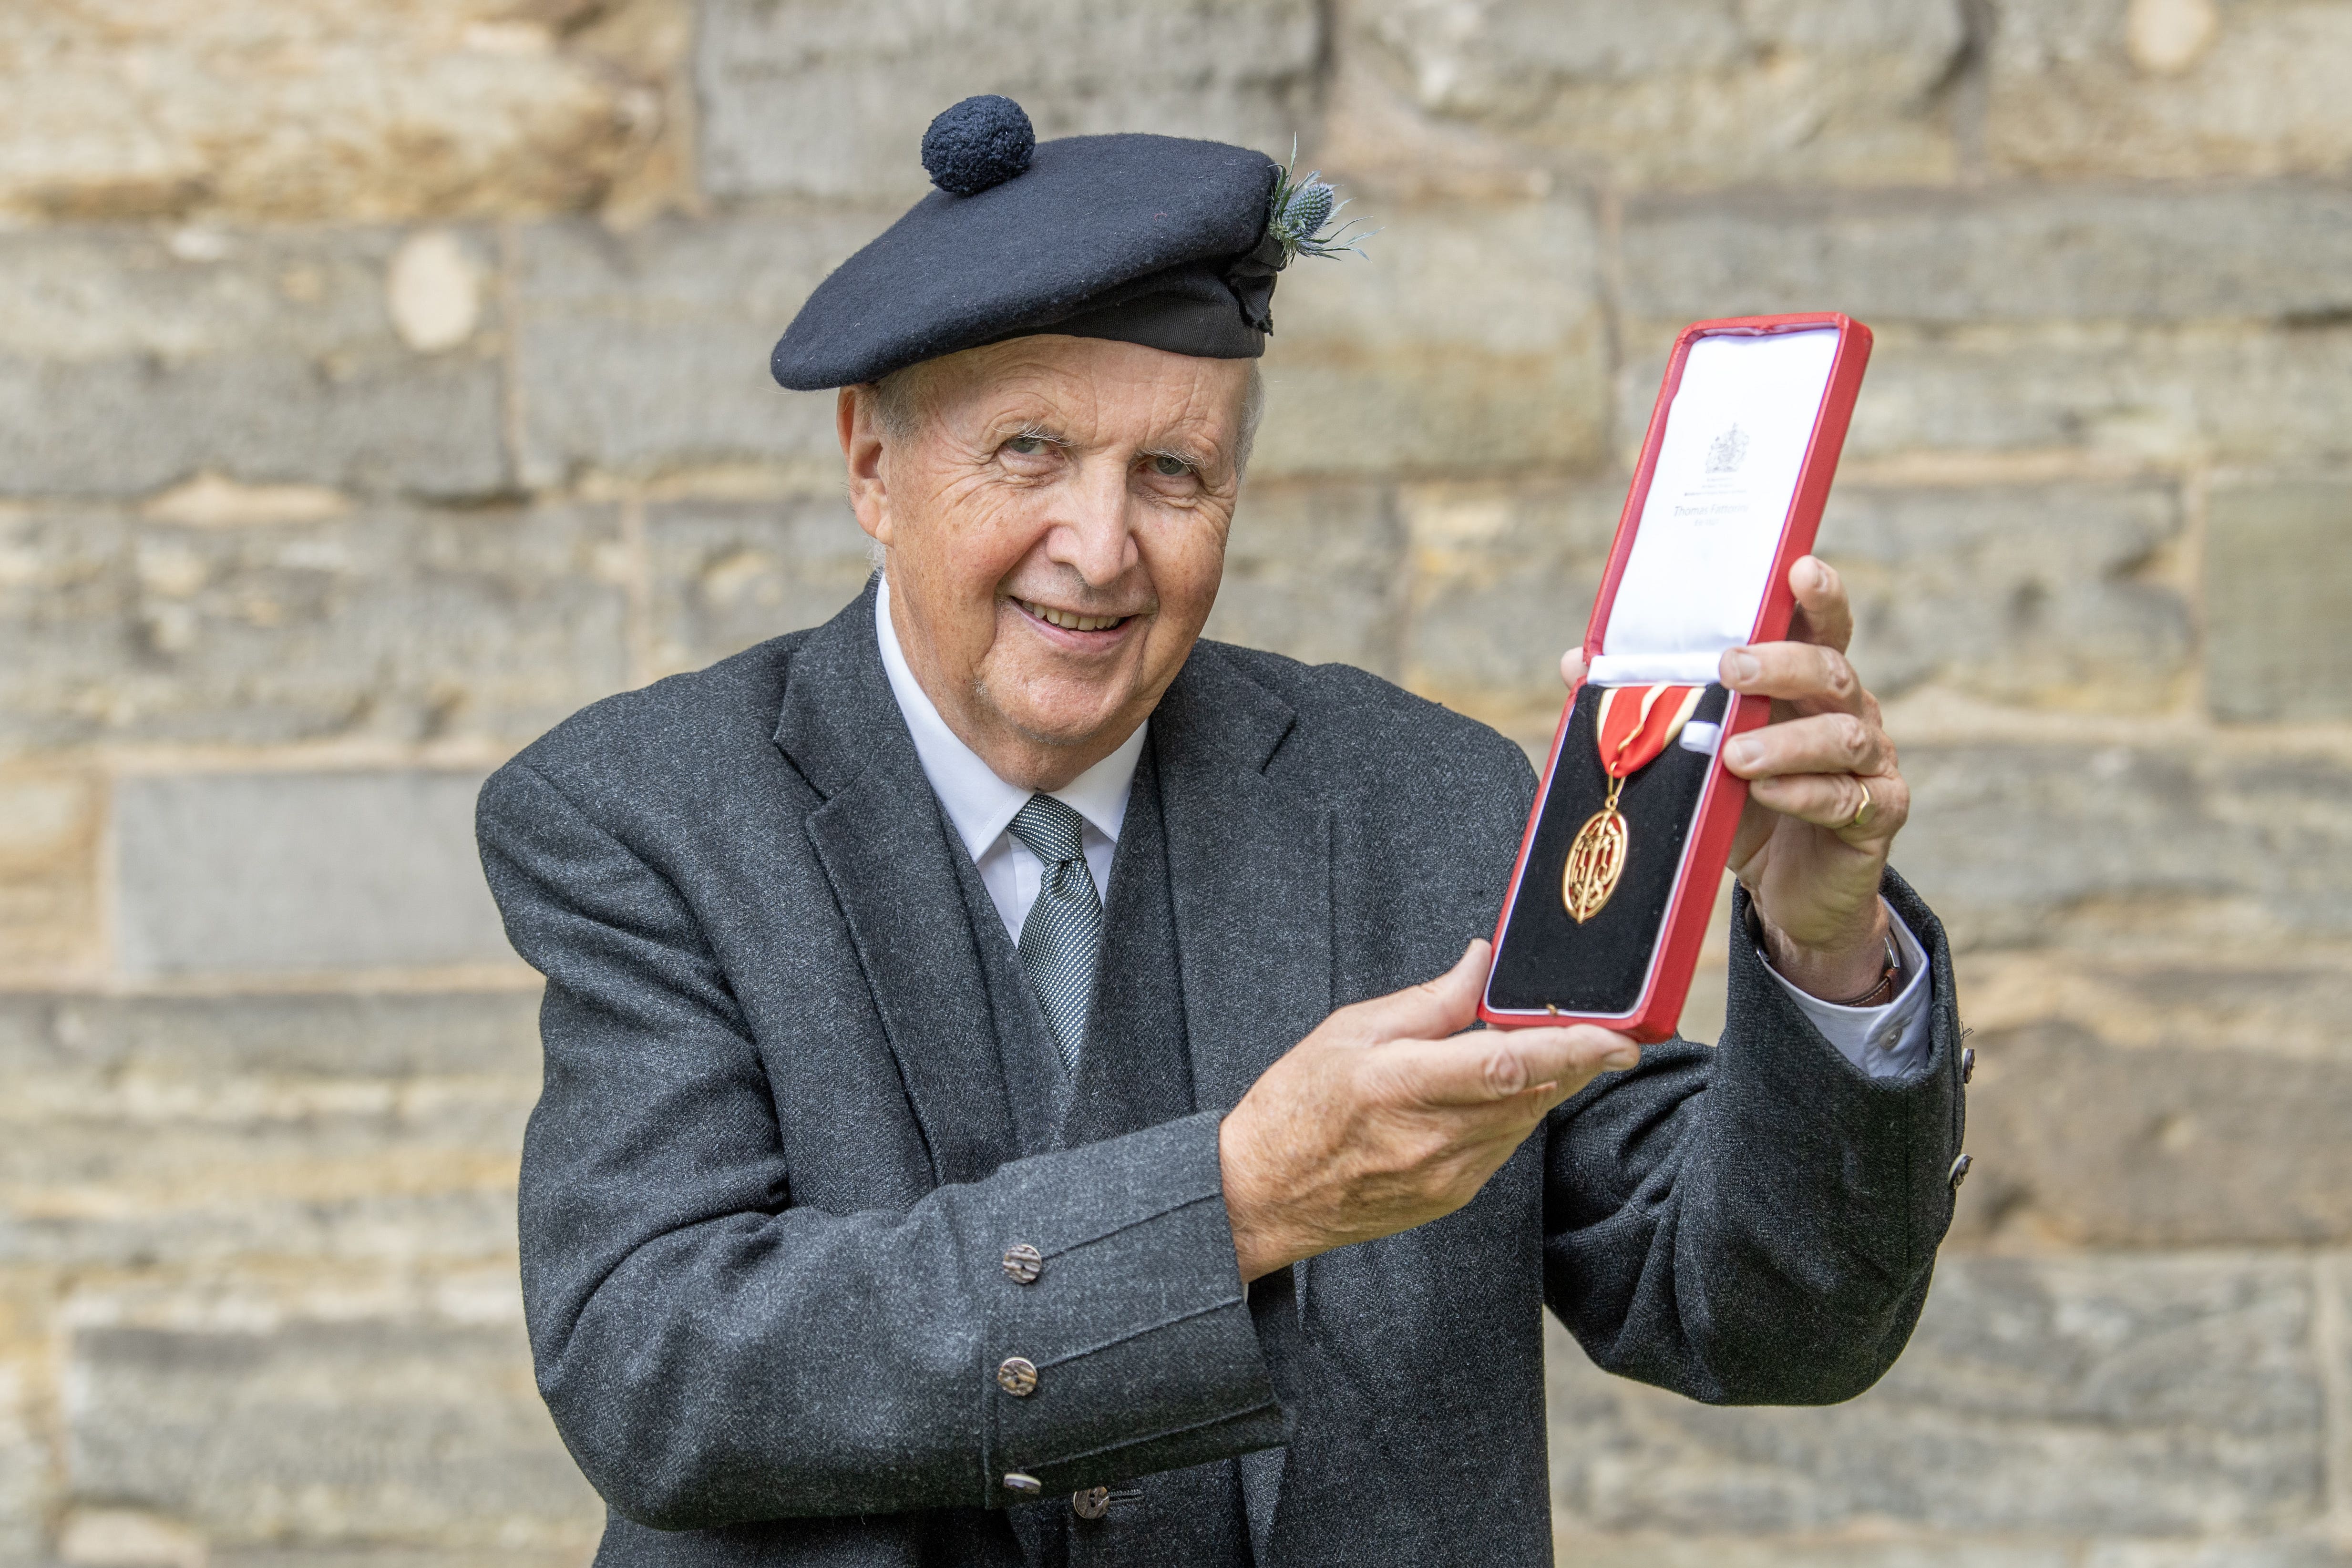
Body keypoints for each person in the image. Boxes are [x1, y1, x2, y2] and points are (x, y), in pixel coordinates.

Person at [477, 95, 1967, 1568]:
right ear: (871, 463)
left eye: (1172, 473)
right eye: (1030, 452)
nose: (1102, 546)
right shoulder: (642, 815)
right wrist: (1241, 1199)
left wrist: (1826, 945)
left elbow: (1768, 1312)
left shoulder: (1428, 797)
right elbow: (656, 1365)